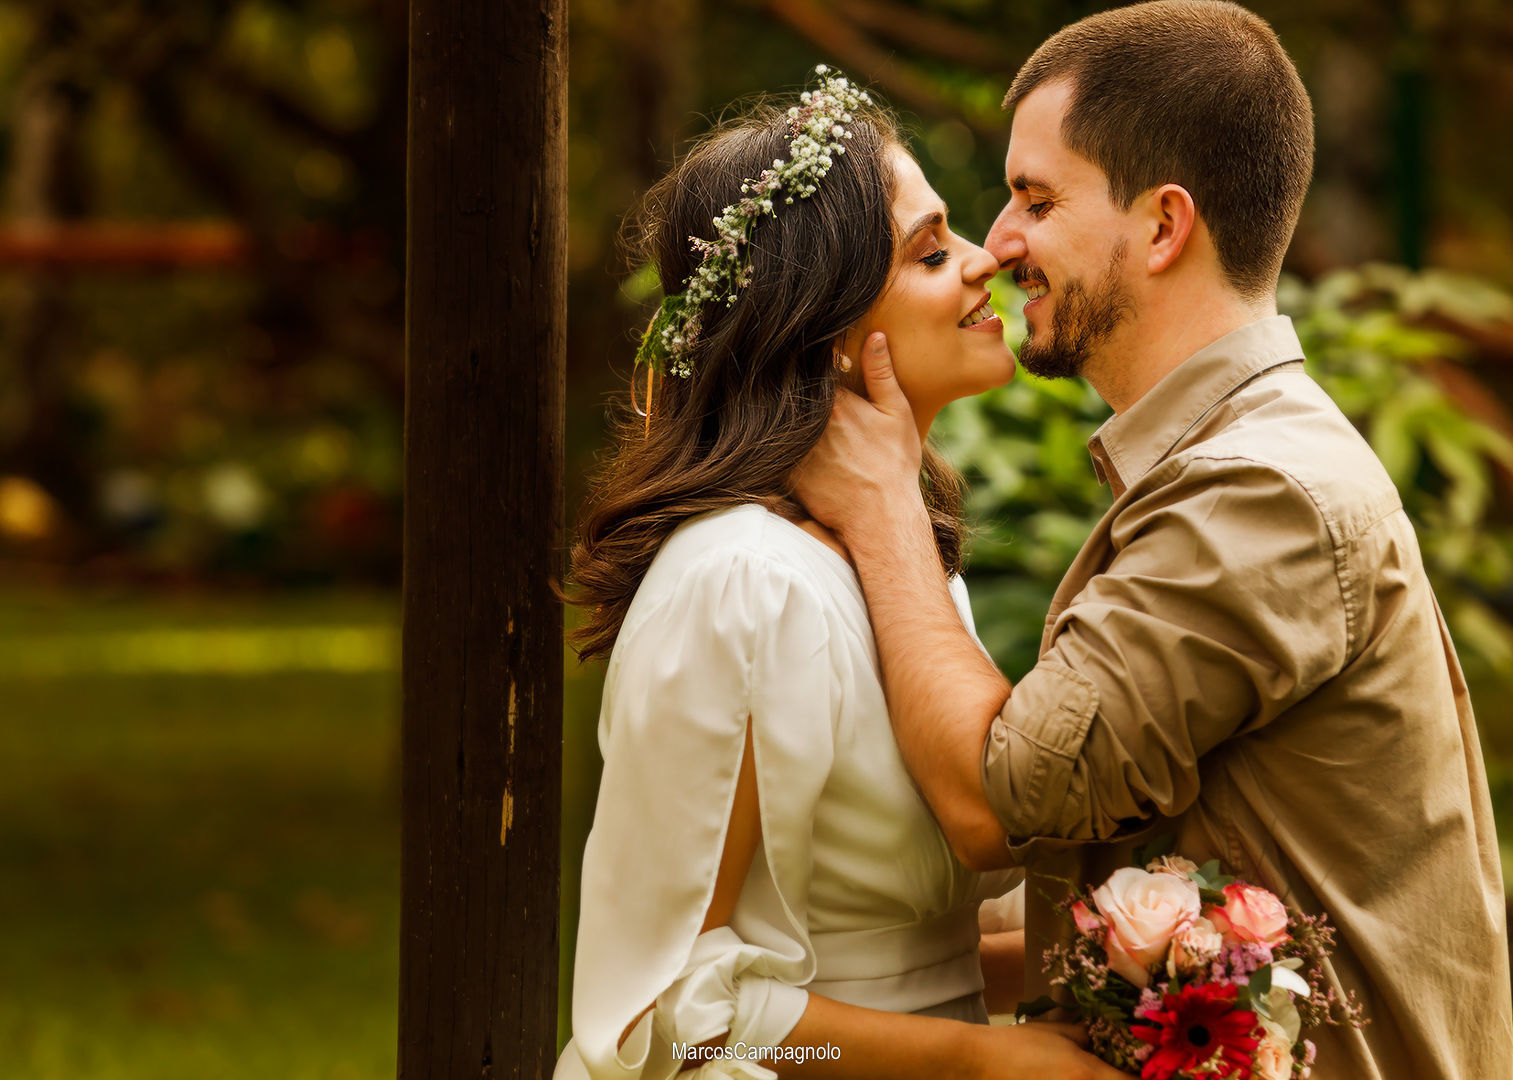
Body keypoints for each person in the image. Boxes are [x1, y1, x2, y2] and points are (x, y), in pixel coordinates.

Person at [793, 3, 1513, 1078]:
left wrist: (883, 498)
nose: (999, 243)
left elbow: (1001, 800)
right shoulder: (1229, 462)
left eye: (1037, 198)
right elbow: (1136, 889)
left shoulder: (1257, 490)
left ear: (1164, 226)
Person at [556, 73, 1123, 1080]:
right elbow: (669, 1018)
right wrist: (978, 1063)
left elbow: (892, 949)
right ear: (823, 326)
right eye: (929, 251)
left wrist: (1132, 971)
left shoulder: (895, 565)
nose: (987, 258)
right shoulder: (742, 581)